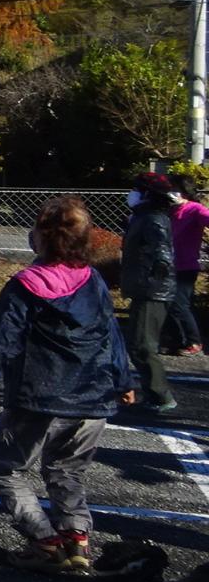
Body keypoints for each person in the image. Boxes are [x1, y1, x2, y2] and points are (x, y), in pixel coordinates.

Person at [0, 196, 136, 573]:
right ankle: (76, 538)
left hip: (40, 397)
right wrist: (123, 377)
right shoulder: (93, 280)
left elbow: (0, 340)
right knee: (68, 471)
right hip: (94, 396)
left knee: (2, 469)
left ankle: (45, 541)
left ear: (44, 239)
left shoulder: (27, 285)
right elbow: (110, 333)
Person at [121, 171, 182, 416]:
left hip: (153, 290)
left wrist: (159, 270)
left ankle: (160, 396)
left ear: (146, 194)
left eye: (136, 188)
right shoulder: (144, 216)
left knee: (142, 345)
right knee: (138, 344)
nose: (132, 193)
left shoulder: (154, 219)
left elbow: (162, 250)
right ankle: (153, 394)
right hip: (147, 287)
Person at [165, 176, 207, 355]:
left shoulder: (195, 209)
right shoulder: (170, 211)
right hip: (168, 264)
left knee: (179, 304)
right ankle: (177, 340)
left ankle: (194, 341)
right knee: (169, 303)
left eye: (175, 188)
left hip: (186, 265)